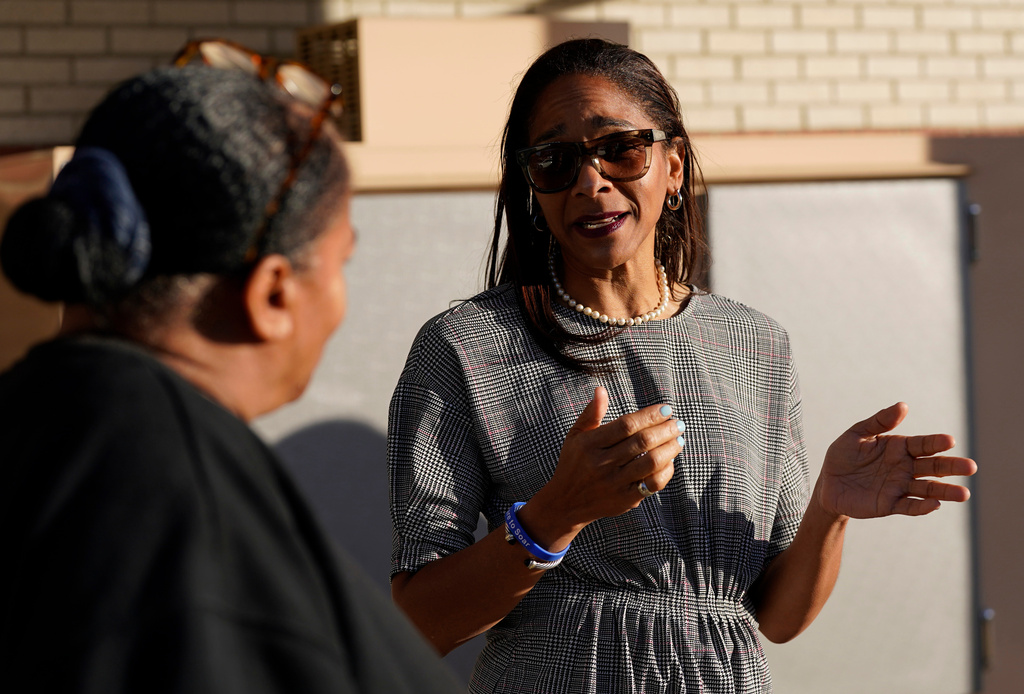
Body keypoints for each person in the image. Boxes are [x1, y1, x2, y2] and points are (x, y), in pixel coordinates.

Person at [387, 38, 977, 693]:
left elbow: (774, 617)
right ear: (533, 185)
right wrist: (554, 515)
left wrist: (829, 510)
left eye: (620, 148)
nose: (590, 181)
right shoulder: (468, 346)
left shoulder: (756, 344)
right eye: (555, 160)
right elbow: (415, 623)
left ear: (672, 166)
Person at [0, 41, 460, 694]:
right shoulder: (173, 508)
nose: (340, 301)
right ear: (272, 293)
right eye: (341, 262)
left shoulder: (45, 420)